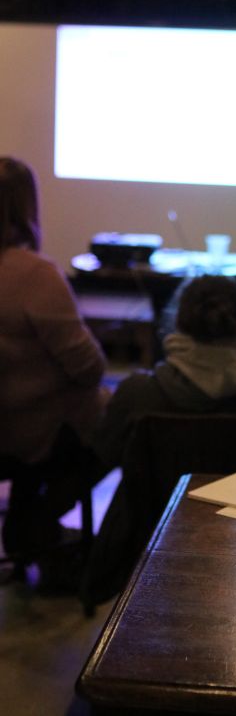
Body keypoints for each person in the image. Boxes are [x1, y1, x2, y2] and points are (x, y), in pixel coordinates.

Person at [0, 157, 109, 561]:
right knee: (126, 420)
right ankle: (37, 525)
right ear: (26, 206)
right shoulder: (34, 274)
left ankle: (28, 523)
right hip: (29, 431)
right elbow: (89, 368)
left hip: (11, 421)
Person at [95, 273, 236, 467]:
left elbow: (101, 456)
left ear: (177, 321)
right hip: (235, 498)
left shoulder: (138, 393)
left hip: (152, 498)